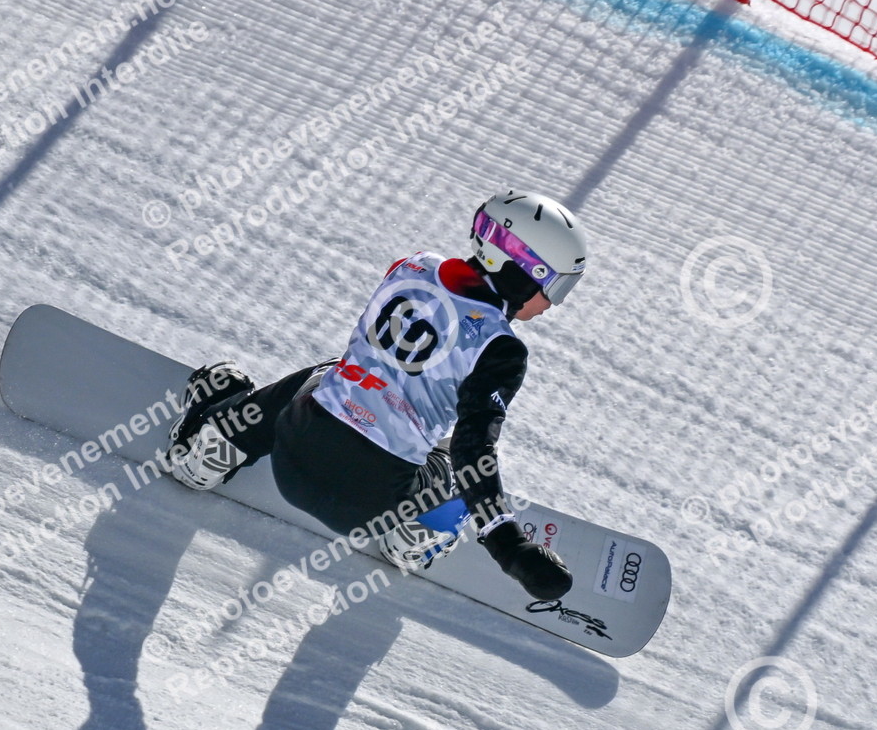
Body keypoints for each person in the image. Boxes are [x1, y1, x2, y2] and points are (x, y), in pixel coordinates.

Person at [167, 190, 585, 601]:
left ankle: (215, 444)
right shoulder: (501, 349)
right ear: (522, 271)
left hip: (292, 457)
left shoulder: (414, 265)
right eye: (555, 285)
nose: (554, 303)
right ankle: (412, 539)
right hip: (371, 510)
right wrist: (512, 549)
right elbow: (473, 451)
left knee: (336, 373)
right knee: (456, 460)